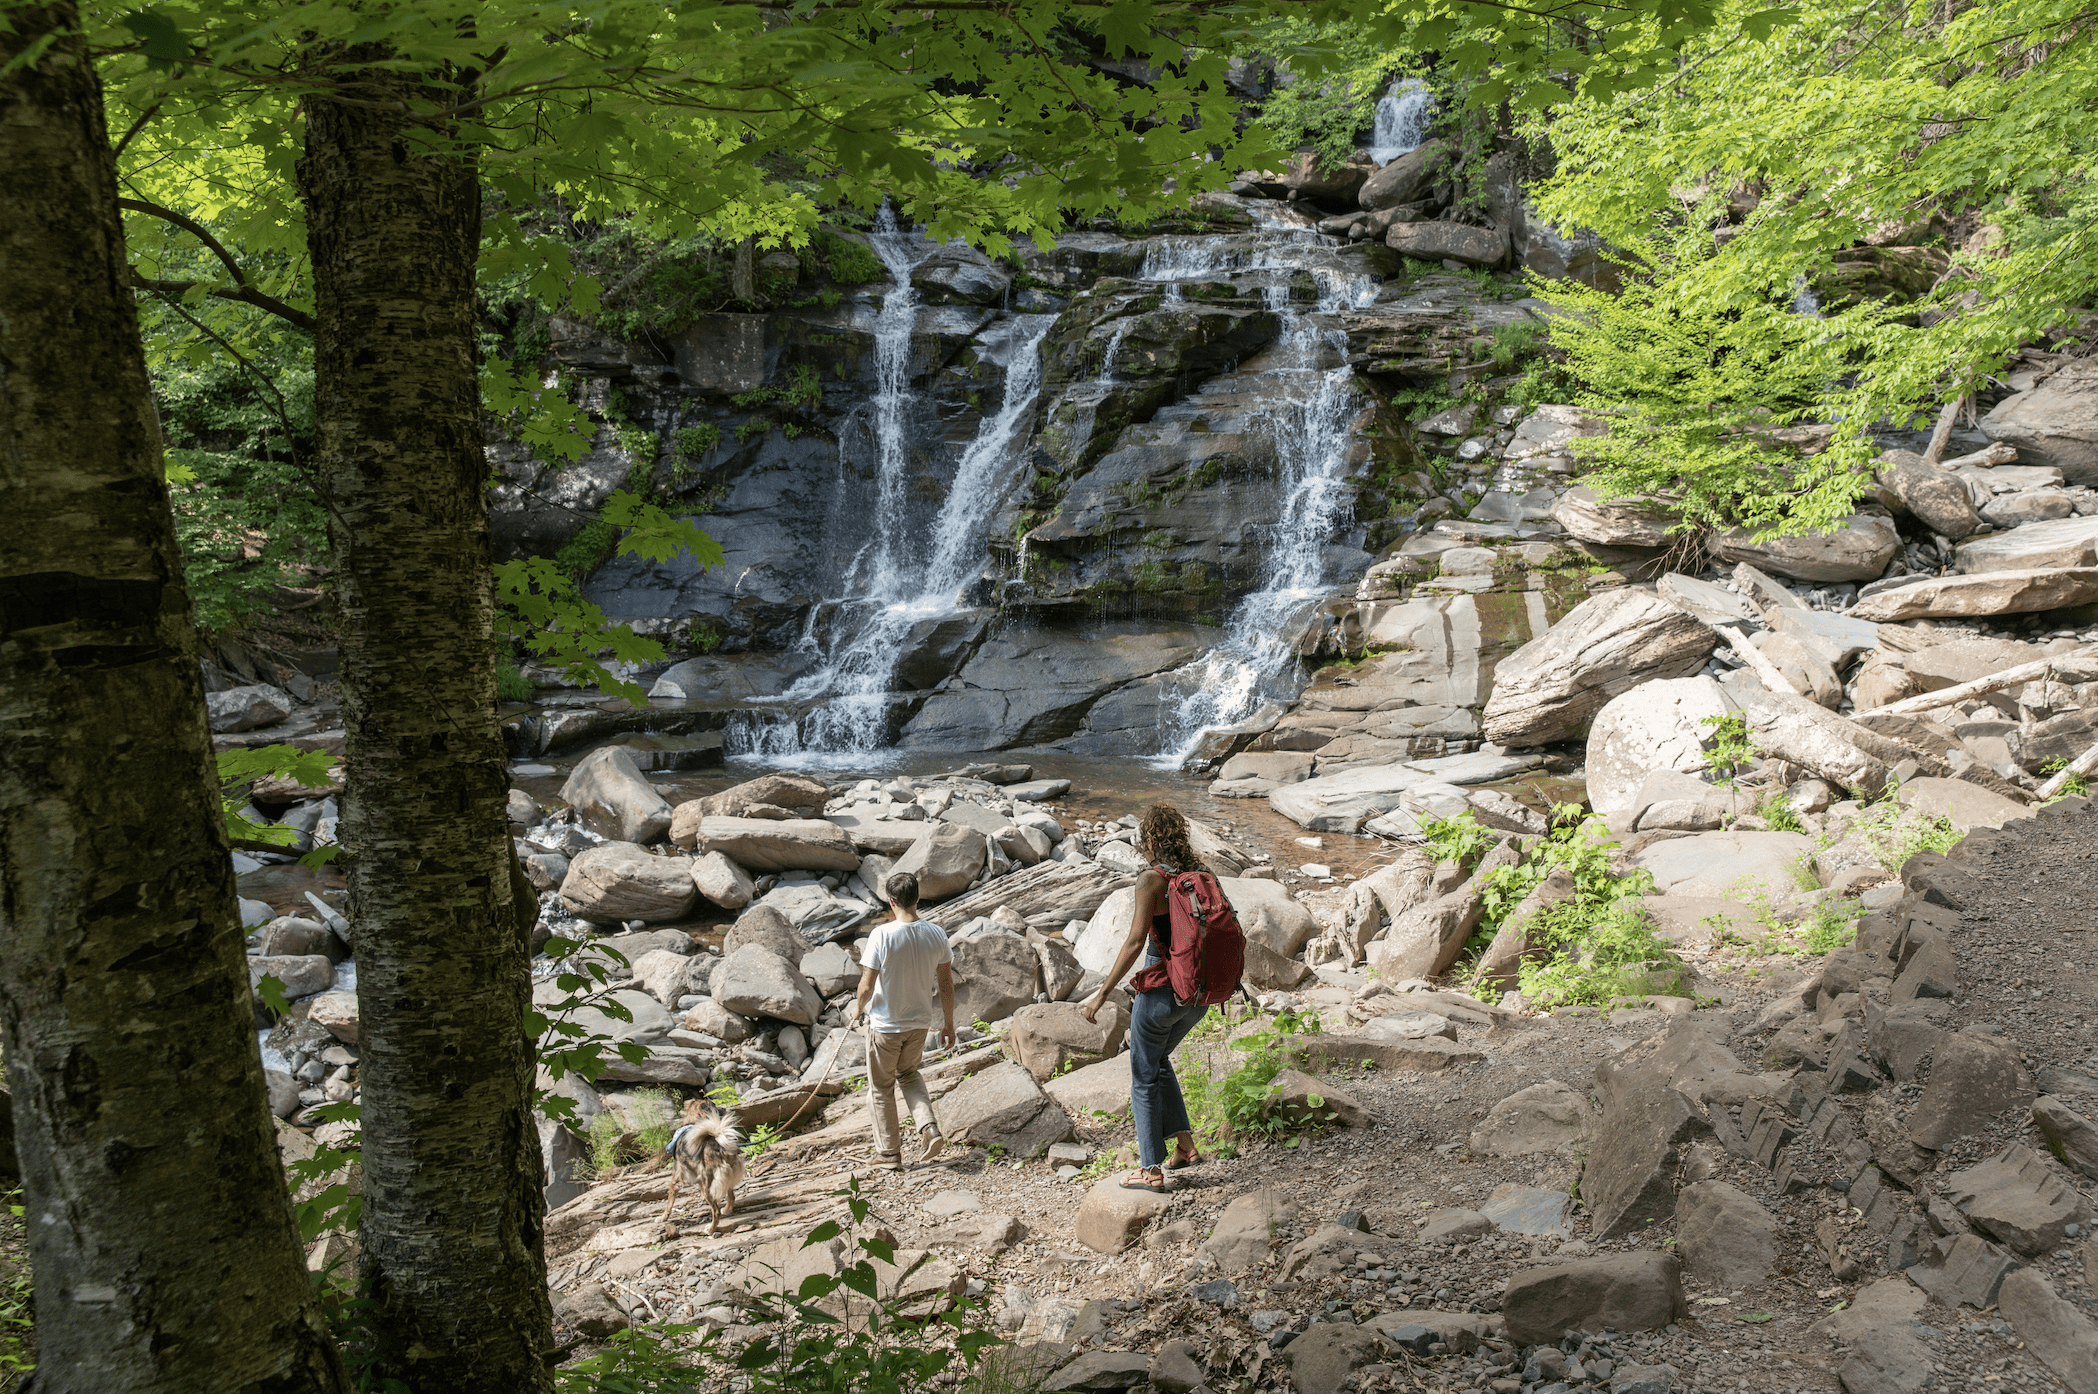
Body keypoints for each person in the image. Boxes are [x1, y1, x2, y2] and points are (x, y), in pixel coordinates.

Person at [1083, 802, 1206, 1193]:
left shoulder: (1151, 881)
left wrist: (1101, 994)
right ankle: (1185, 1147)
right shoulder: (1200, 875)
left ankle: (1150, 1169)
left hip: (1163, 990)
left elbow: (1136, 941)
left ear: (1149, 839)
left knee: (1142, 1075)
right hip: (1199, 994)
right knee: (1157, 1058)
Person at [853, 871, 955, 1170]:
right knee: (909, 1075)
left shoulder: (881, 935)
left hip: (885, 1026)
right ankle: (929, 1128)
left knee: (881, 1088)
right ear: (918, 898)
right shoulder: (936, 933)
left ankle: (888, 1154)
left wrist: (857, 1009)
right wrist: (948, 1023)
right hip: (920, 1023)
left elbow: (866, 985)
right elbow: (946, 984)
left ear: (891, 901)